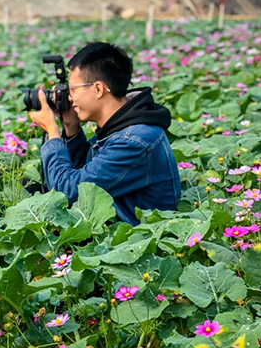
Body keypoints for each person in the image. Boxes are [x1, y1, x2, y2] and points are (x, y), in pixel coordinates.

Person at [29, 42, 181, 225]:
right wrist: (71, 126)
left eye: (73, 90)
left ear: (98, 89)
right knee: (30, 187)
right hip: (114, 233)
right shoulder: (123, 125)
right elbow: (84, 172)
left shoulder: (133, 140)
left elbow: (67, 192)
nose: (69, 98)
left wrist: (52, 132)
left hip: (134, 242)